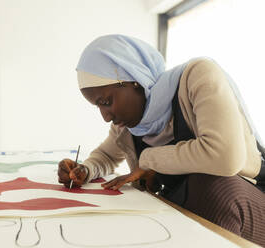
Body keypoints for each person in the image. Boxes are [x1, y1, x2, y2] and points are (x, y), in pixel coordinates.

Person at [57, 34, 265, 246]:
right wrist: (85, 170)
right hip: (192, 210)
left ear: (134, 80)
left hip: (253, 201)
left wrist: (148, 160)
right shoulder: (131, 124)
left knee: (215, 187)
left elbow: (225, 157)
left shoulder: (198, 76)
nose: (105, 116)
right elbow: (107, 156)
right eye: (98, 106)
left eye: (106, 102)